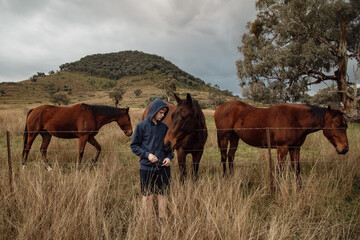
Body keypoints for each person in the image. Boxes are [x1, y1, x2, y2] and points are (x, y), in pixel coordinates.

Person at [130, 98, 173, 220]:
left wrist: (169, 158)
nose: (163, 115)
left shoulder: (164, 128)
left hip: (163, 168)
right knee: (147, 195)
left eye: (164, 113)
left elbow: (169, 148)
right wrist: (147, 155)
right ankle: (146, 220)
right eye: (161, 112)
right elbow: (134, 146)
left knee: (162, 194)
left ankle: (162, 219)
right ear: (154, 111)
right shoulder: (141, 126)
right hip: (146, 167)